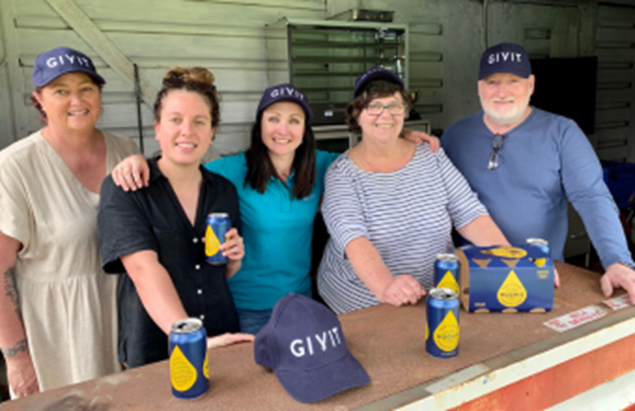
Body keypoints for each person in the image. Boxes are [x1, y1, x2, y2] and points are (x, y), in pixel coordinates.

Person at [112, 82, 439, 334]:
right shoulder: (230, 170)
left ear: (304, 129)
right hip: (246, 307)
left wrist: (398, 135)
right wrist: (140, 160)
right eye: (273, 119)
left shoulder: (326, 167)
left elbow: (369, 157)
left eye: (294, 120)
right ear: (260, 125)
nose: (283, 129)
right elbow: (181, 164)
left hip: (301, 302)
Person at [441, 42, 635, 304]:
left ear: (531, 85)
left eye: (514, 81)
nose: (502, 91)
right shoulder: (456, 135)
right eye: (492, 81)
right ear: (479, 87)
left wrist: (617, 259)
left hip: (543, 275)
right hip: (472, 278)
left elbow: (593, 198)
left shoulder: (562, 133)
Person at [0, 47, 141, 397]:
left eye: (86, 88)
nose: (76, 99)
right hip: (58, 338)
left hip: (126, 321)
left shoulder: (125, 150)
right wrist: (17, 358)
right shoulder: (14, 167)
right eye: (61, 90)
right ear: (39, 100)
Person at [317, 67, 510, 315]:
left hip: (434, 290)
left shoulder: (431, 155)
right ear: (356, 115)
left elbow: (468, 212)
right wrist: (386, 286)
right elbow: (354, 239)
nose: (385, 115)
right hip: (364, 299)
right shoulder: (342, 174)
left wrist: (511, 260)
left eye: (395, 105)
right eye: (374, 106)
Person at [98, 67, 254, 368]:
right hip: (156, 345)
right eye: (175, 120)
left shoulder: (224, 191)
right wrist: (194, 340)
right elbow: (143, 270)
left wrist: (234, 259)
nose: (187, 131)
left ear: (211, 132)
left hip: (221, 334)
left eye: (199, 122)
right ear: (157, 128)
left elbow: (221, 272)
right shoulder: (126, 189)